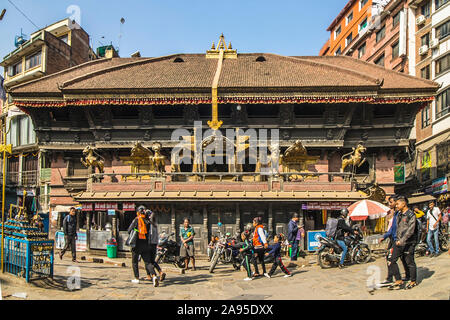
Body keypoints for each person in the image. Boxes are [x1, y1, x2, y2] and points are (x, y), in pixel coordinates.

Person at [388, 196, 418, 290]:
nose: (396, 205)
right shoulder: (399, 214)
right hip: (399, 242)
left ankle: (413, 281)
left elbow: (410, 230)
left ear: (403, 204)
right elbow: (397, 228)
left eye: (397, 204)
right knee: (391, 260)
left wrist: (402, 240)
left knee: (409, 261)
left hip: (409, 242)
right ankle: (398, 280)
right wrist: (397, 239)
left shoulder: (411, 215)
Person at [380, 196, 410, 286]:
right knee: (391, 258)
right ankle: (393, 277)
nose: (390, 204)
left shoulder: (400, 214)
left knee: (392, 258)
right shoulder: (396, 213)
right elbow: (392, 228)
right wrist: (385, 236)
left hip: (397, 239)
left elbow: (400, 228)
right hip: (393, 238)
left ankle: (398, 278)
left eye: (392, 202)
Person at [128, 206, 159, 286]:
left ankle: (137, 278)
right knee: (148, 262)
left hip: (136, 244)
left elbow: (129, 230)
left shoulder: (136, 220)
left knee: (134, 262)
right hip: (145, 244)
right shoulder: (147, 221)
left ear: (138, 212)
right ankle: (154, 276)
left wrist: (135, 230)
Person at [147, 210, 166, 282]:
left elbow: (150, 235)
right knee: (152, 261)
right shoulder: (155, 225)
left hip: (150, 244)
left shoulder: (150, 225)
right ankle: (160, 272)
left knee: (148, 261)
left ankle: (152, 275)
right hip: (154, 244)